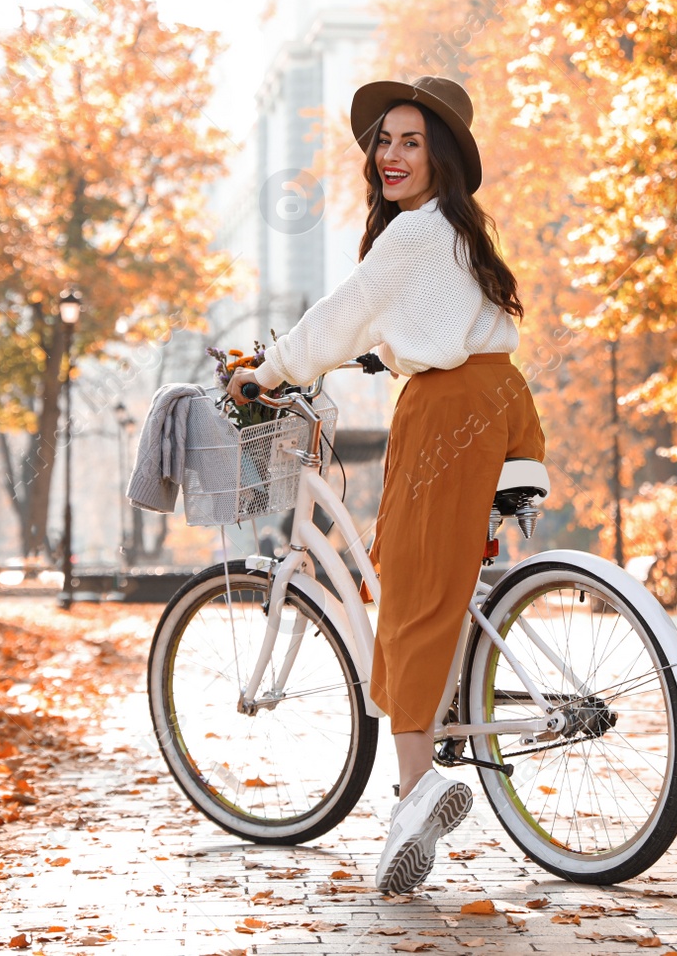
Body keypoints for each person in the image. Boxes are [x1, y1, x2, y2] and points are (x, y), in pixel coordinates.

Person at [227, 76, 546, 894]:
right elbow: (415, 322)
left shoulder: (409, 235)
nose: (392, 155)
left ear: (440, 154)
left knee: (408, 593)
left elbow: (341, 311)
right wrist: (383, 351)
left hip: (448, 415)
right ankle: (410, 797)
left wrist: (268, 372)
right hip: (501, 399)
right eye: (384, 141)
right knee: (440, 582)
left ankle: (421, 788)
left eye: (411, 141)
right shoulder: (459, 232)